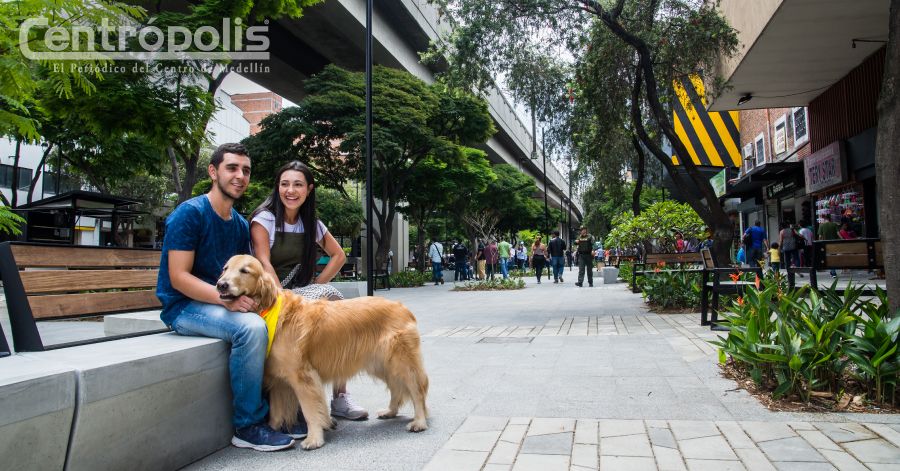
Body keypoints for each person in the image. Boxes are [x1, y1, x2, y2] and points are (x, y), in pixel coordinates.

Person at [156, 143, 295, 451]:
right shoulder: (190, 214)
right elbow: (178, 278)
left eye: (245, 170)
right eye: (232, 168)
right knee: (251, 328)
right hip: (184, 307)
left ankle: (282, 412)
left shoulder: (240, 224)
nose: (240, 176)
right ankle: (247, 425)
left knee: (279, 319)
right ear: (213, 172)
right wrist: (225, 301)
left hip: (220, 304)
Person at [249, 161, 368, 422]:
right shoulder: (264, 219)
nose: (290, 190)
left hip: (299, 292)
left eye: (298, 184)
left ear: (309, 189)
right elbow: (263, 261)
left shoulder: (311, 223)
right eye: (285, 184)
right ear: (277, 187)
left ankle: (340, 396)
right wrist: (283, 297)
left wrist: (319, 283)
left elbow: (338, 255)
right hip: (268, 294)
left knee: (338, 312)